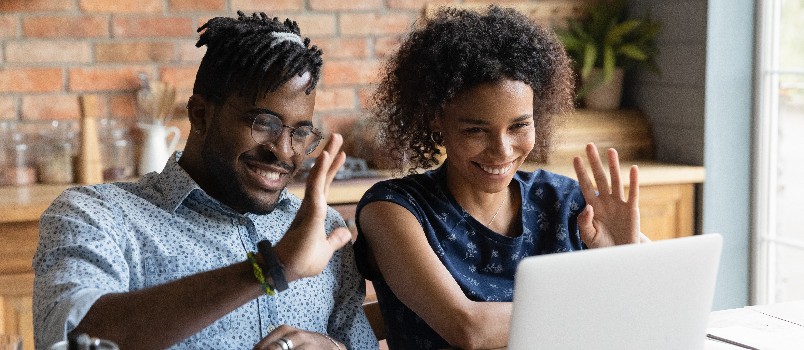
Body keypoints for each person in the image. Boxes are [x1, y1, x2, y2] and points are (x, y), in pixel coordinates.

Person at [33, 11, 378, 350]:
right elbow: (72, 337)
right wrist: (270, 268)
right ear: (200, 115)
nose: (284, 152)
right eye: (263, 123)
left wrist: (331, 347)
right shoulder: (97, 215)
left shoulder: (323, 231)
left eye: (300, 133)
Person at [354, 6, 649, 350]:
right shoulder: (394, 210)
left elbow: (666, 298)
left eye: (519, 126)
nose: (502, 150)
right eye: (476, 130)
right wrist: (610, 295)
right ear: (436, 119)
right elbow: (469, 328)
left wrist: (626, 260)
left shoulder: (564, 200)